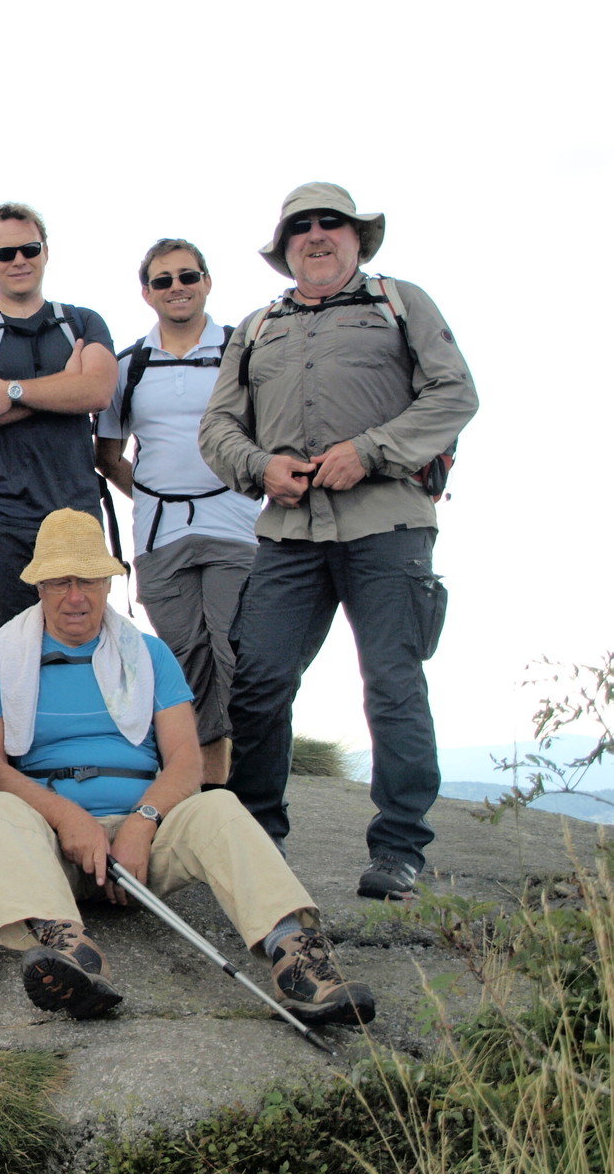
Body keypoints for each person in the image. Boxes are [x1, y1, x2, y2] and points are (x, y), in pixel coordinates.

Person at [0, 509, 373, 1024]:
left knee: (219, 804)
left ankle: (300, 959)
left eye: (89, 580)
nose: (76, 596)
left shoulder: (149, 654)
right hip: (53, 845)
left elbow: (185, 761)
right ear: (40, 586)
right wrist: (68, 818)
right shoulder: (2, 658)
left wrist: (143, 822)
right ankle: (70, 954)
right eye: (61, 581)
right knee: (0, 807)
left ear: (108, 583)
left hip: (147, 839)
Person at [200, 183, 478, 899]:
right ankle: (260, 839)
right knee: (259, 682)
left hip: (389, 525)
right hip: (290, 533)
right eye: (301, 228)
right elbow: (218, 429)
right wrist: (262, 467)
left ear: (358, 237)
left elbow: (454, 395)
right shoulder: (256, 327)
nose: (316, 236)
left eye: (332, 224)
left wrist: (374, 449)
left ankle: (399, 850)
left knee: (392, 684)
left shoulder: (400, 302)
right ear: (284, 247)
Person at [94, 239, 260, 786]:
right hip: (160, 536)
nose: (176, 287)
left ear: (207, 281)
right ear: (146, 293)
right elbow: (108, 454)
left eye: (187, 276)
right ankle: (203, 786)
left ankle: (243, 787)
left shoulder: (245, 350)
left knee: (236, 651)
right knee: (184, 659)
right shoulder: (129, 365)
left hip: (237, 526)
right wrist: (149, 498)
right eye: (162, 280)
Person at [0, 202, 118, 628]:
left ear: (45, 251)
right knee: (18, 641)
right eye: (4, 253)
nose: (18, 260)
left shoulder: (83, 321)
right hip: (0, 513)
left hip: (76, 505)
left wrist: (12, 390)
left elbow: (97, 391)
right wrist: (64, 383)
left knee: (85, 636)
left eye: (29, 249)